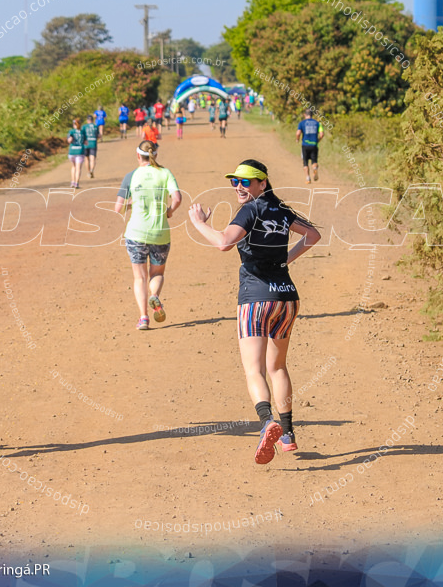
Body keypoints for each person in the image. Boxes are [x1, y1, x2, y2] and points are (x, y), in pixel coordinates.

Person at [188, 160, 320, 464]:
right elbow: (313, 236)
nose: (239, 187)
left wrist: (198, 223)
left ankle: (266, 422)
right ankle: (287, 434)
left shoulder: (251, 209)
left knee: (254, 370)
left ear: (262, 183)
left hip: (256, 299)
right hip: (287, 298)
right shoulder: (281, 211)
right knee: (278, 368)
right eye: (235, 181)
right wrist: (285, 260)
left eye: (246, 182)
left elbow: (223, 243)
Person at [115, 140, 181, 331]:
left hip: (135, 233)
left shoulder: (131, 176)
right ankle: (155, 295)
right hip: (160, 233)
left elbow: (118, 208)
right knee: (157, 273)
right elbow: (177, 198)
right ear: (156, 156)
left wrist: (131, 204)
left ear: (137, 156)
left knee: (139, 278)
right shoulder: (165, 173)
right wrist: (169, 211)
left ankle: (143, 318)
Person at [296, 108, 324, 183]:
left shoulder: (302, 123)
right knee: (314, 160)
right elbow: (321, 134)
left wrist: (297, 139)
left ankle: (308, 178)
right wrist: (318, 140)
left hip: (305, 145)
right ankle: (315, 168)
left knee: (305, 162)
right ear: (312, 115)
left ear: (305, 115)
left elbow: (298, 133)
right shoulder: (318, 123)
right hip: (314, 145)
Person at [67, 118, 86, 189]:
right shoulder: (82, 132)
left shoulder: (71, 131)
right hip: (80, 151)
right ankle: (76, 183)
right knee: (78, 168)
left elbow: (69, 140)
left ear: (73, 124)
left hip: (72, 152)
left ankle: (72, 181)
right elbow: (86, 142)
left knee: (73, 167)